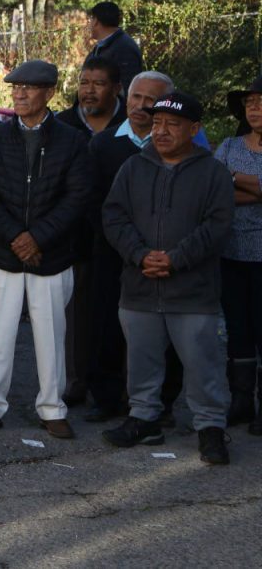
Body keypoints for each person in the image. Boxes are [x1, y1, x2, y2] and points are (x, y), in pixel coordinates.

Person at [102, 92, 234, 464]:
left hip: (192, 291)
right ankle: (144, 420)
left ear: (194, 129)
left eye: (172, 125)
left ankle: (210, 428)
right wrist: (140, 254)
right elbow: (113, 217)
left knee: (202, 363)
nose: (161, 131)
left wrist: (175, 260)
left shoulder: (213, 173)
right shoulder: (133, 167)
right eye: (157, 123)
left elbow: (218, 225)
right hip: (140, 285)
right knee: (141, 361)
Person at [0, 59, 91, 439]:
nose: (19, 93)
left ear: (50, 92)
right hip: (4, 254)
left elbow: (77, 197)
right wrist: (16, 238)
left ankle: (52, 407)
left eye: (30, 87)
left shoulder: (73, 141)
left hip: (51, 256)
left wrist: (37, 237)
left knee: (52, 334)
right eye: (15, 87)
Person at [85, 71, 185, 424]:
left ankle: (164, 402)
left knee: (166, 332)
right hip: (113, 254)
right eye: (136, 97)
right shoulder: (104, 144)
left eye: (150, 100)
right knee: (106, 328)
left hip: (164, 259)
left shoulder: (183, 148)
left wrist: (157, 254)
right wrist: (130, 248)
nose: (141, 106)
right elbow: (94, 203)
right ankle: (106, 398)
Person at [55, 57, 126, 406]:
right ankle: (77, 381)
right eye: (84, 83)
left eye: (98, 84)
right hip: (77, 238)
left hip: (126, 241)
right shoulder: (62, 126)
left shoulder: (136, 124)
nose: (89, 90)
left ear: (116, 88)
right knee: (78, 316)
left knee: (123, 314)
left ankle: (122, 387)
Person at [215, 76, 262, 435]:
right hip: (231, 255)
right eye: (250, 102)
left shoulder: (230, 157)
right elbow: (215, 193)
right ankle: (241, 401)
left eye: (261, 101)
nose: (254, 107)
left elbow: (227, 186)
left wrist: (235, 180)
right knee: (237, 330)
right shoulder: (230, 145)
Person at [86, 1, 145, 93]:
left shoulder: (125, 49)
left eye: (91, 19)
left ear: (96, 21)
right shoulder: (102, 47)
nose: (89, 25)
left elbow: (128, 88)